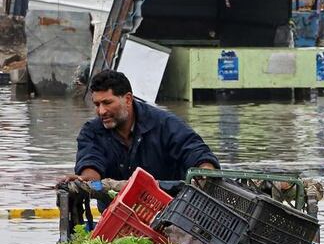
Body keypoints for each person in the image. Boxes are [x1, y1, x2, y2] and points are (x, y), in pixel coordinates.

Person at [60, 70, 219, 189]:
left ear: (128, 99)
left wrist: (205, 170)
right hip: (116, 212)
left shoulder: (164, 124)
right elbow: (90, 161)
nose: (101, 111)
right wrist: (86, 180)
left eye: (107, 103)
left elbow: (194, 150)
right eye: (97, 105)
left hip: (167, 210)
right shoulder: (92, 131)